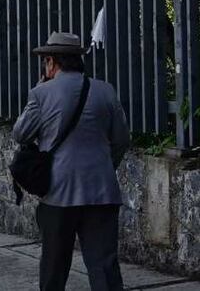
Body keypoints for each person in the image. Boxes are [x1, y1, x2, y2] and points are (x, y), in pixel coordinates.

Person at [12, 31, 131, 291]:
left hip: (58, 192)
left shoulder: (41, 93)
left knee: (54, 266)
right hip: (102, 191)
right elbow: (121, 139)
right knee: (104, 267)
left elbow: (20, 134)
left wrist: (39, 93)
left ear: (51, 62)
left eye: (45, 61)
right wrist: (105, 166)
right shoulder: (105, 90)